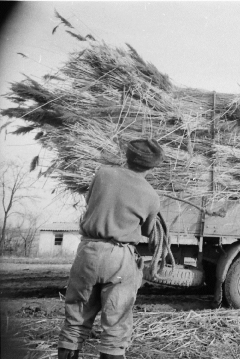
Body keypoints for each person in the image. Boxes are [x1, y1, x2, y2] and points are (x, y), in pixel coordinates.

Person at [57, 139, 164, 359]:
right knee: (115, 330)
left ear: (127, 156)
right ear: (153, 166)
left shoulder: (102, 174)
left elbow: (91, 201)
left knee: (75, 323)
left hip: (88, 252)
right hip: (120, 259)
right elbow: (146, 231)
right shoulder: (151, 196)